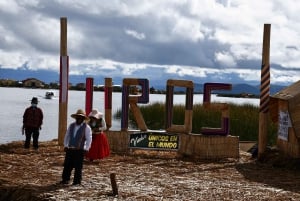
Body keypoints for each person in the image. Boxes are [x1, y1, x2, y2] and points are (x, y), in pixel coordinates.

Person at [60, 109, 92, 185]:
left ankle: (77, 182)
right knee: (67, 165)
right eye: (78, 117)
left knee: (78, 167)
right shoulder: (71, 126)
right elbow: (67, 136)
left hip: (79, 150)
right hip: (70, 149)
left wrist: (87, 148)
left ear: (83, 119)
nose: (79, 119)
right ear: (76, 118)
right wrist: (65, 145)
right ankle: (65, 179)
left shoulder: (86, 127)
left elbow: (89, 138)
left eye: (81, 118)